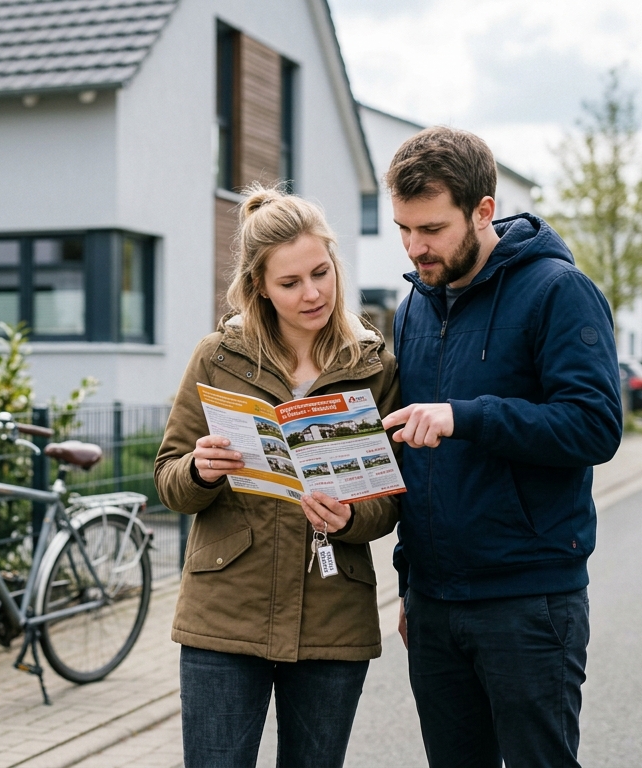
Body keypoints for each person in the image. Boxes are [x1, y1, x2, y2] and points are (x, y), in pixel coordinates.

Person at [380, 126, 623, 767]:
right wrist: (410, 584)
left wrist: (469, 417)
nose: (414, 247)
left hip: (528, 601)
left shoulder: (557, 291)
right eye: (404, 228)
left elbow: (595, 425)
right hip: (434, 603)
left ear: (483, 211)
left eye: (430, 229)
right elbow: (415, 458)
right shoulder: (413, 307)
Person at [154, 184, 400, 768]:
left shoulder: (373, 366)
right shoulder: (218, 356)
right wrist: (201, 470)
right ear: (258, 287)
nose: (312, 293)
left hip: (331, 617)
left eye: (321, 272)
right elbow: (168, 478)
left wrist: (351, 516)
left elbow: (389, 499)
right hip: (224, 615)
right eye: (290, 283)